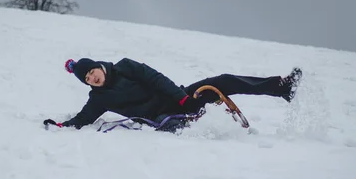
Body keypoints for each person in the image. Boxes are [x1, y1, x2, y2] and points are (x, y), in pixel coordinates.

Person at [44, 57, 302, 132]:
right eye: (87, 79)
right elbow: (84, 118)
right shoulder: (99, 98)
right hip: (163, 116)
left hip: (178, 97)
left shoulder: (125, 67)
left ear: (98, 66)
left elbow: (156, 78)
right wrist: (61, 125)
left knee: (222, 81)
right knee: (176, 124)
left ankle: (281, 87)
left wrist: (183, 99)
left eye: (91, 72)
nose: (92, 78)